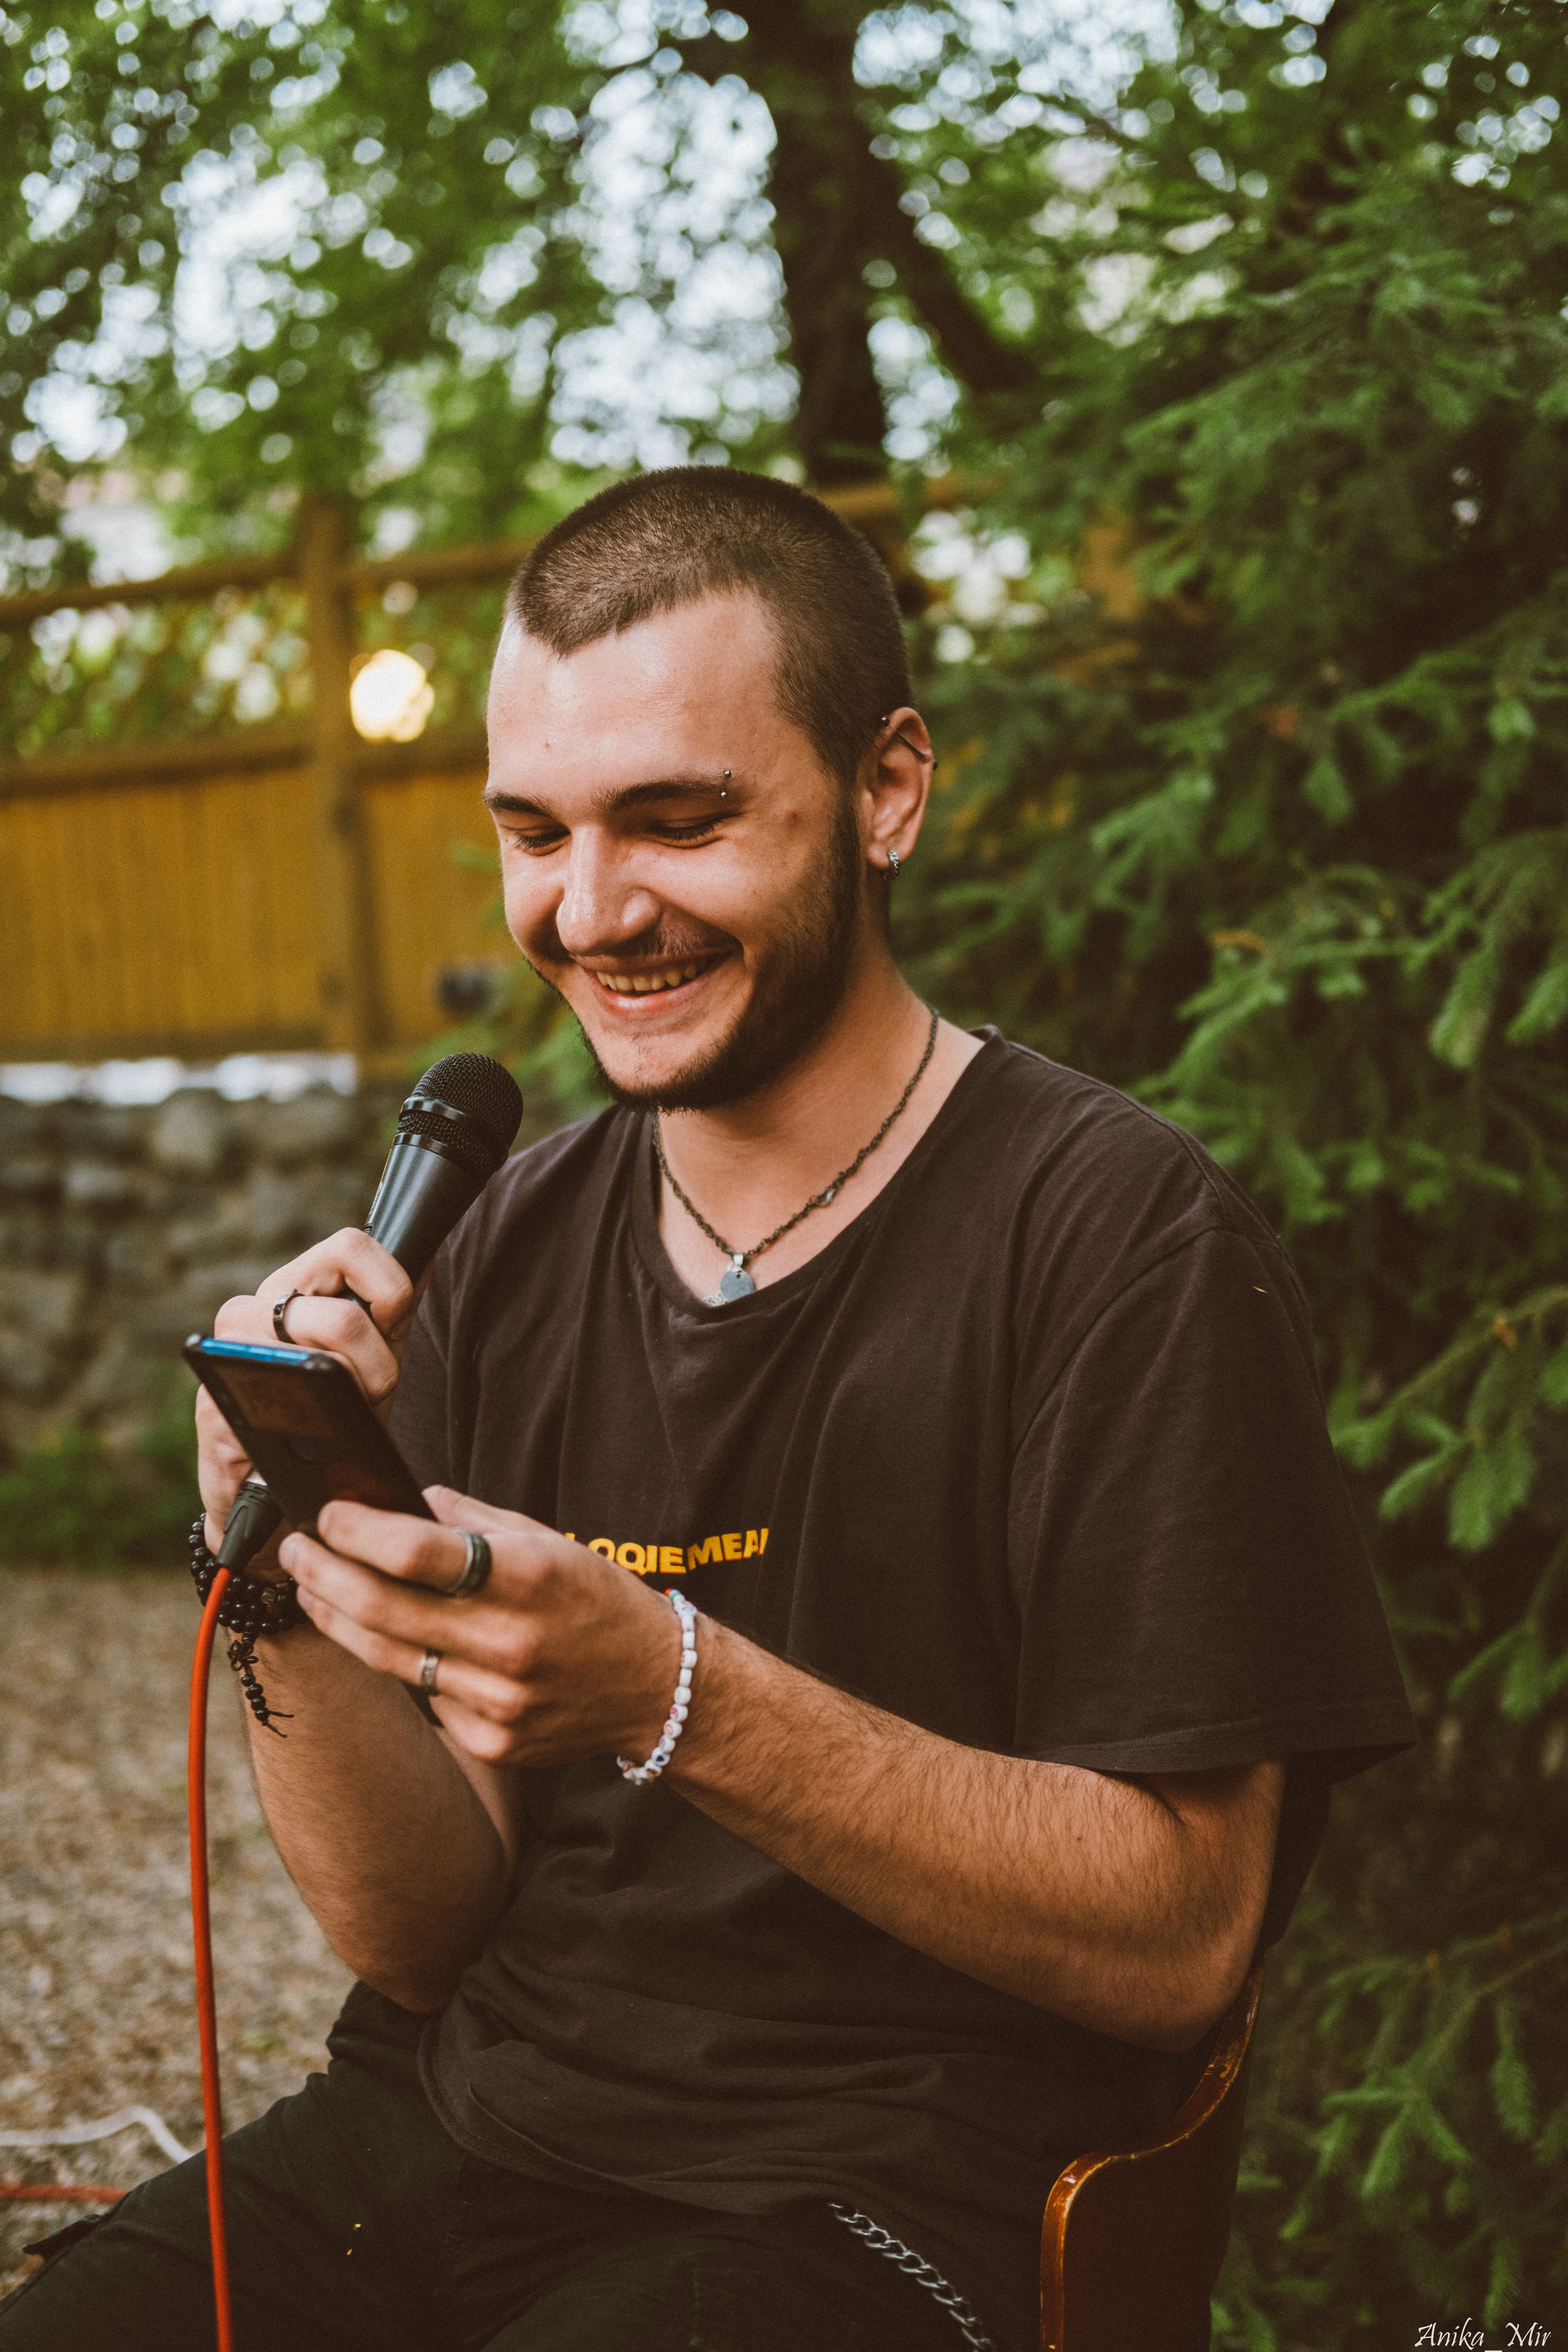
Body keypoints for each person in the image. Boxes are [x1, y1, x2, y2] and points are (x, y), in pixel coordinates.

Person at [0, 470, 1413, 2352]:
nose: (592, 913)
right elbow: (420, 1937)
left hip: (881, 2202)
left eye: (677, 822)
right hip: (457, 2127)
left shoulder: (1124, 1239)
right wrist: (280, 1572)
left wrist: (676, 1687)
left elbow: (1175, 1943)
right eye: (535, 833)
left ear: (887, 789)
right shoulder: (507, 1236)